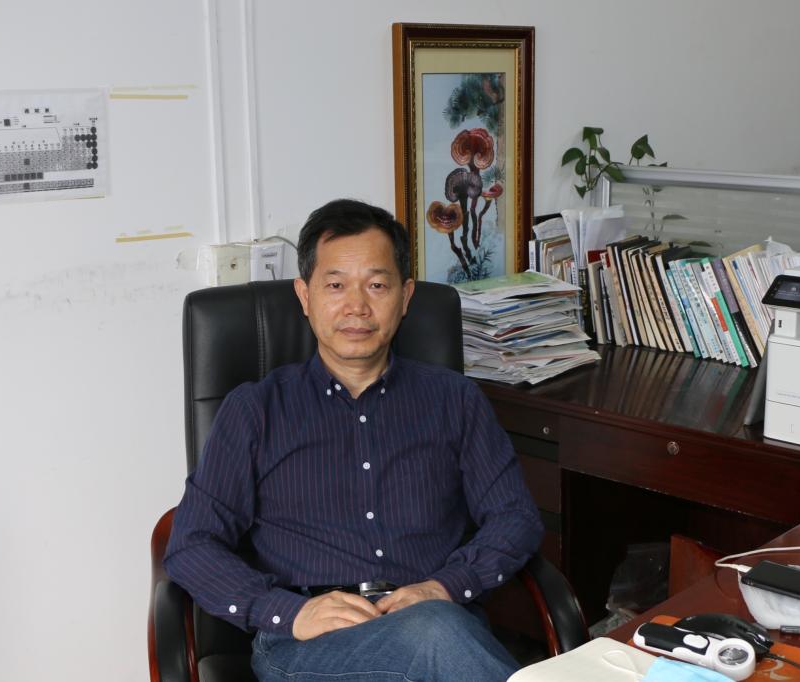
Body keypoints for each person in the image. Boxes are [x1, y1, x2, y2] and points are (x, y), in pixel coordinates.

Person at [165, 198, 543, 681]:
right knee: (437, 638)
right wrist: (289, 612)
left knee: (435, 632)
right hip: (308, 647)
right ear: (305, 296)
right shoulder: (255, 410)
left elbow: (515, 517)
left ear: (405, 297)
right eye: (336, 285)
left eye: (377, 285)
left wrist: (447, 586)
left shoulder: (455, 400)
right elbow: (191, 544)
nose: (357, 306)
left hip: (435, 621)